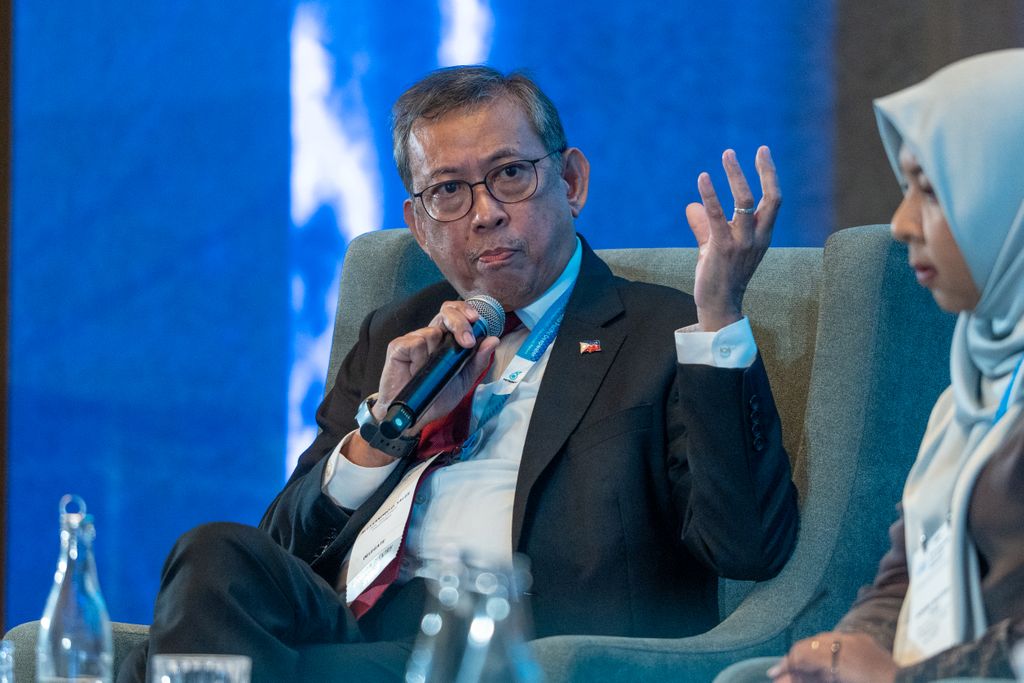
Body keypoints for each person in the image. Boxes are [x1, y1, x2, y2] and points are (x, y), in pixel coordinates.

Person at [120, 66, 798, 682]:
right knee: (214, 556)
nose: (485, 212)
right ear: (419, 225)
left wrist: (720, 319)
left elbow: (746, 546)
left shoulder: (661, 331)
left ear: (570, 183)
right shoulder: (396, 334)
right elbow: (283, 548)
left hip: (515, 651)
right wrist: (383, 432)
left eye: (510, 174)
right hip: (353, 638)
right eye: (448, 190)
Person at [724, 49, 1024, 683]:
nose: (902, 222)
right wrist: (838, 656)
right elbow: (904, 580)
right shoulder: (972, 388)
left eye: (932, 190)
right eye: (906, 187)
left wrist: (896, 679)